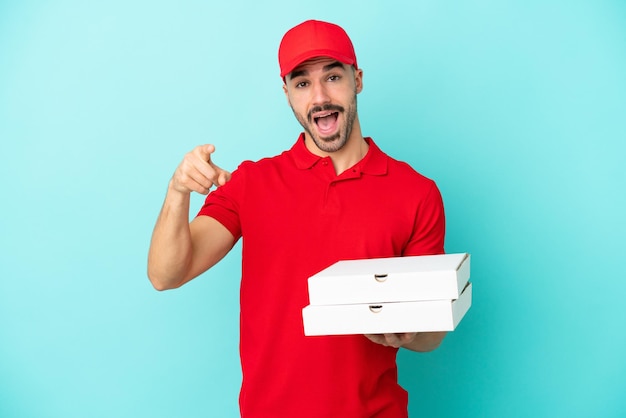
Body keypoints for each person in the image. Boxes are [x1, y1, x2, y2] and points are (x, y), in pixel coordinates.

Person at [148, 19, 447, 418]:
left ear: (357, 80)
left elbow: (432, 334)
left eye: (333, 76)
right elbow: (166, 274)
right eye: (302, 83)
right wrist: (177, 191)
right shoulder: (250, 184)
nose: (320, 97)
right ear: (287, 93)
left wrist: (407, 333)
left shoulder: (416, 192)